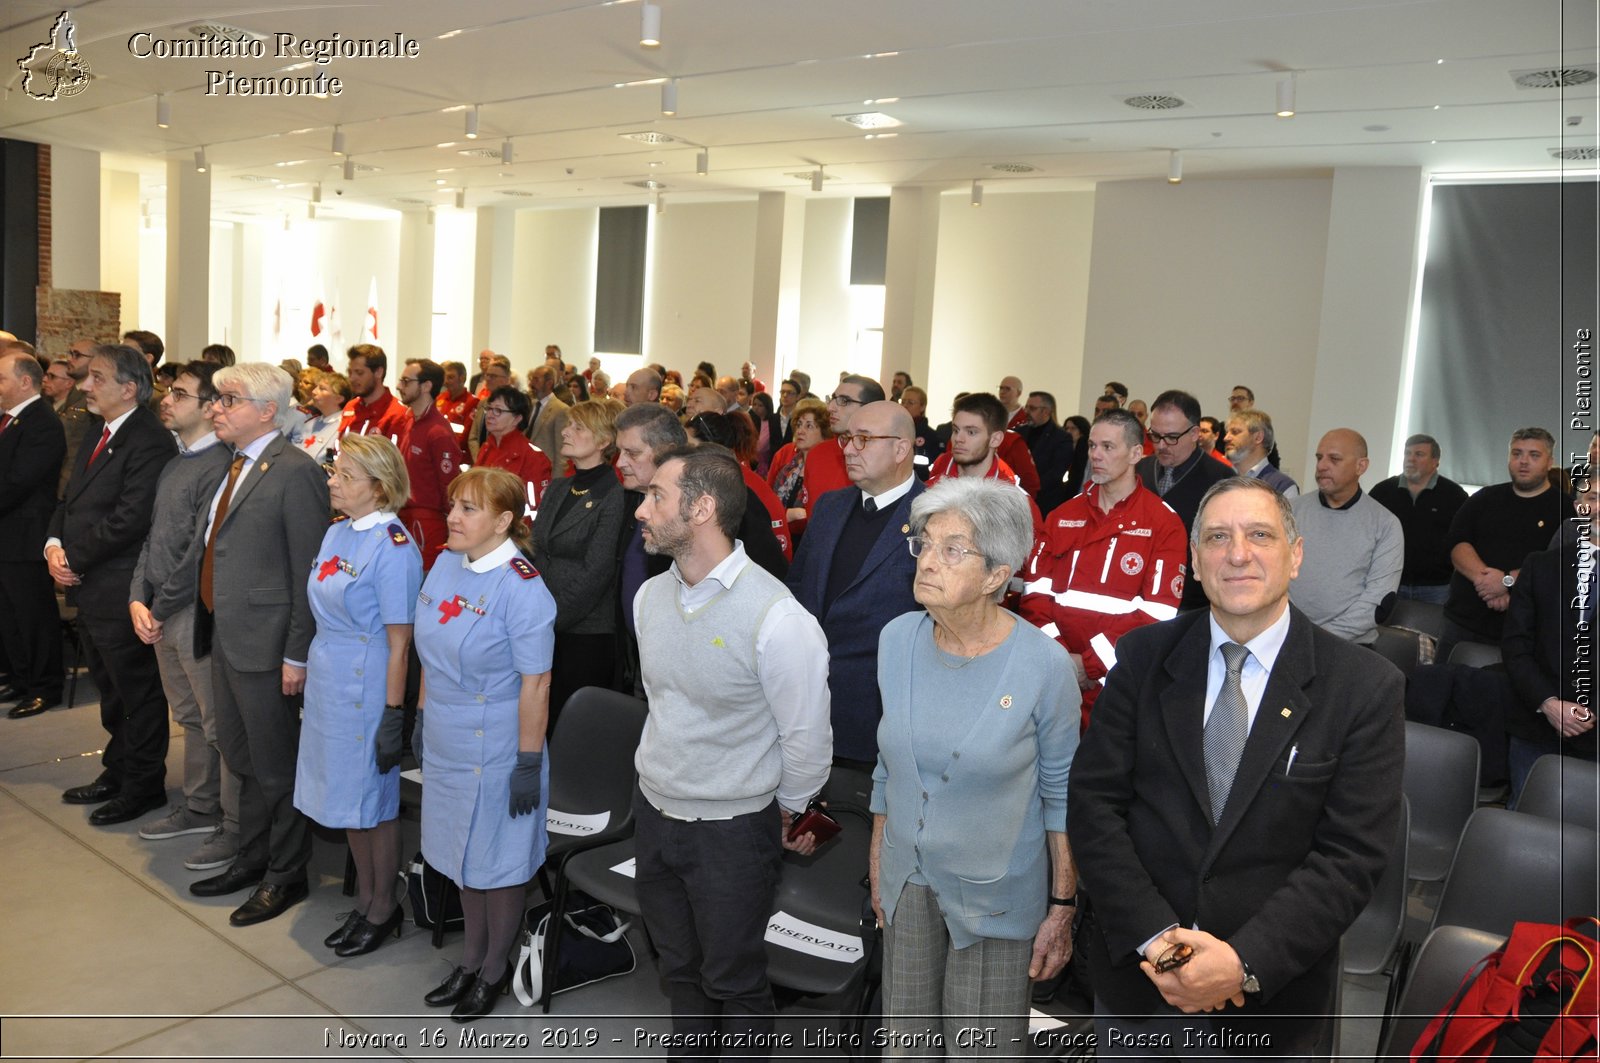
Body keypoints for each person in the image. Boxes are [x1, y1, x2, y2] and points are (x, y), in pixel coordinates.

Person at [1070, 477, 1405, 1058]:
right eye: (1218, 537)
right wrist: (1160, 941)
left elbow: (1350, 856)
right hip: (1141, 985)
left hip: (1271, 999)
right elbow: (1095, 805)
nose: (1238, 553)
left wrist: (1242, 962)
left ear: (1294, 555)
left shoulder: (1364, 687)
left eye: (1260, 535)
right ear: (1196, 561)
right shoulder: (1144, 659)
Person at [632, 443, 832, 1055]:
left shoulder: (777, 616)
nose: (640, 509)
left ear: (702, 508)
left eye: (655, 496)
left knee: (736, 983)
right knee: (680, 973)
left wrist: (786, 812)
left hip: (732, 830)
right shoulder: (649, 598)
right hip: (654, 812)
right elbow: (664, 705)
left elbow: (806, 737)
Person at [870, 477, 1079, 1052]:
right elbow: (887, 767)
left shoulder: (1044, 665)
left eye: (952, 549)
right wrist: (879, 864)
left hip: (996, 895)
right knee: (905, 1044)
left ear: (995, 575)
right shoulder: (896, 641)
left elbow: (1061, 795)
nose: (928, 561)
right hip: (906, 881)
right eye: (924, 543)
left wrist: (1062, 905)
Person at [187, 363, 330, 927]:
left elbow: (307, 573)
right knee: (241, 758)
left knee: (276, 766)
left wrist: (297, 654)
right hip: (225, 635)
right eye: (217, 399)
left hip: (269, 647)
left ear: (268, 410)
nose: (216, 408)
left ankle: (286, 874)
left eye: (229, 399)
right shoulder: (233, 465)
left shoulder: (294, 472)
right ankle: (252, 856)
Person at [415, 467, 556, 1022]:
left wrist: (527, 761)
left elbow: (536, 683)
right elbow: (430, 646)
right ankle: (470, 958)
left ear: (503, 521)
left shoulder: (523, 589)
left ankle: (494, 967)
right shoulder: (447, 563)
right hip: (447, 737)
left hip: (499, 743)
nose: (452, 517)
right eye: (453, 505)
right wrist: (422, 718)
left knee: (498, 865)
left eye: (469, 509)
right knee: (459, 856)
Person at [296, 434, 423, 956]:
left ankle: (383, 904)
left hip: (369, 683)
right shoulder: (338, 533)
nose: (333, 482)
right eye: (335, 472)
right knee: (344, 798)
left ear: (379, 486)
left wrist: (393, 715)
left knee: (374, 802)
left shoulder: (394, 548)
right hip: (330, 676)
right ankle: (366, 898)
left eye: (345, 476)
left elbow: (401, 643)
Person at [47, 345, 176, 820]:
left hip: (120, 584)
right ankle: (117, 768)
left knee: (136, 692)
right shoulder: (98, 429)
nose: (84, 385)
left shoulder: (149, 440)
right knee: (110, 688)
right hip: (89, 580)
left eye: (96, 378)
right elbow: (70, 497)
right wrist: (53, 545)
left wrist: (72, 557)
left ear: (129, 388)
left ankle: (144, 785)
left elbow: (130, 519)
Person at [128, 361, 241, 871]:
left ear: (210, 405)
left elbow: (198, 551)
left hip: (191, 613)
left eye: (178, 393)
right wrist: (136, 596)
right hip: (160, 611)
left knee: (217, 723)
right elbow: (153, 541)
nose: (165, 401)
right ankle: (199, 805)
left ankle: (232, 822)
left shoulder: (220, 466)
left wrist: (156, 605)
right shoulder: (175, 464)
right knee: (190, 717)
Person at [1022, 408, 1186, 728]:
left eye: (1108, 447)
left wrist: (1088, 664)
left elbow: (1157, 615)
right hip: (1055, 678)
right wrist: (1060, 659)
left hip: (1117, 684)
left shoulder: (1163, 524)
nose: (1096, 455)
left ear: (1136, 453)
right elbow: (1035, 595)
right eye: (1092, 446)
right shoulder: (1061, 516)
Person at [787, 401, 923, 766]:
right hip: (806, 710)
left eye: (863, 439)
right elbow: (799, 590)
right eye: (847, 438)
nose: (847, 449)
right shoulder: (830, 507)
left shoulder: (933, 517)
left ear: (900, 448)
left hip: (879, 719)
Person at [530, 399, 625, 731]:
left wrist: (549, 616)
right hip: (543, 620)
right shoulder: (559, 487)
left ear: (603, 441)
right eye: (569, 425)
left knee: (568, 725)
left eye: (578, 427)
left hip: (585, 631)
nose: (566, 431)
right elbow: (536, 549)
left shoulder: (615, 495)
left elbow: (597, 572)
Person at [1501, 477, 1599, 801]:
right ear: (1578, 508)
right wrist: (1549, 704)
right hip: (1536, 726)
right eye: (1593, 498)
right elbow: (1516, 645)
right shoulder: (1541, 566)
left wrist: (1587, 713)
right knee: (1522, 824)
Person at [1441, 427, 1573, 659]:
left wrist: (1507, 582)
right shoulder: (1484, 497)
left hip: (1524, 630)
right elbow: (1457, 543)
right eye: (1517, 453)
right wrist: (1488, 583)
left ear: (1550, 461)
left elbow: (1559, 565)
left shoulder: (1566, 510)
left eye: (1534, 455)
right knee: (1440, 688)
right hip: (1462, 620)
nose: (1523, 461)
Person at [1288, 429, 1404, 645]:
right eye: (1319, 458)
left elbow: (1377, 601)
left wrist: (1317, 639)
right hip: (1288, 638)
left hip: (1351, 648)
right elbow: (1273, 576)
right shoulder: (1291, 511)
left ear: (1361, 466)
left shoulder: (1385, 524)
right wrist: (1290, 630)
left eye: (1334, 459)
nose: (1322, 466)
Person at [0, 350, 67, 718]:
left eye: (1, 379)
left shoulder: (40, 420)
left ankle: (44, 686)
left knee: (33, 615)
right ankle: (21, 677)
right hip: (8, 532)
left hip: (26, 535)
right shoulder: (11, 419)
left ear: (25, 382)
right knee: (9, 615)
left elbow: (20, 480)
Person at [1136, 390, 1234, 613]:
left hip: (1192, 603)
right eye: (1155, 435)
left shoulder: (1221, 479)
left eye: (1171, 437)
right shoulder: (1140, 470)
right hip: (1139, 597)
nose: (1161, 445)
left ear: (1195, 433)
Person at [1367, 434, 1467, 606]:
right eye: (1407, 453)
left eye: (1419, 454)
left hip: (1437, 587)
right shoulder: (1382, 492)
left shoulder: (1454, 495)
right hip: (1390, 582)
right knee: (1386, 632)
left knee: (1433, 633)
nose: (1411, 459)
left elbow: (1462, 540)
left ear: (1436, 461)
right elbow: (1366, 534)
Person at [684, 411, 792, 562]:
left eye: (689, 447)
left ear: (710, 447)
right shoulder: (720, 479)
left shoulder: (738, 485)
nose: (682, 455)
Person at [395, 359, 467, 569]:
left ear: (426, 386)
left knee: (422, 582)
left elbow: (450, 488)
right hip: (404, 517)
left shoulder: (438, 432)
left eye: (406, 381)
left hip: (427, 526)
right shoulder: (410, 422)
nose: (400, 386)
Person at [474, 386, 554, 513]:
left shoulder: (533, 457)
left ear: (517, 418)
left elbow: (535, 510)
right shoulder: (487, 447)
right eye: (489, 409)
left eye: (498, 410)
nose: (490, 415)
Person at [767, 396, 832, 536]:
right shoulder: (788, 466)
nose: (800, 431)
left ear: (825, 432)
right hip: (780, 536)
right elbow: (769, 503)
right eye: (799, 424)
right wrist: (789, 514)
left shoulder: (829, 471)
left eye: (809, 426)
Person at [338, 344, 412, 441]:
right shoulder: (350, 407)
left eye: (359, 373)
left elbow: (394, 455)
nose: (352, 378)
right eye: (350, 372)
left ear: (378, 372)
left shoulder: (398, 414)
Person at [43, 357, 92, 497]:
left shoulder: (77, 408)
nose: (45, 380)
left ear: (69, 383)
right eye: (46, 375)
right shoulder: (48, 407)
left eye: (52, 377)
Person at [1021, 390, 1075, 514]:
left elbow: (1056, 472)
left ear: (1046, 411)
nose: (1027, 412)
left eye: (1032, 408)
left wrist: (1031, 488)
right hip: (1018, 498)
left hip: (1045, 501)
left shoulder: (1061, 438)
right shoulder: (1020, 432)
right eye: (1026, 407)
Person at [1224, 409, 1298, 497]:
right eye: (1227, 433)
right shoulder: (1221, 477)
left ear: (1258, 437)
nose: (1226, 438)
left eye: (1235, 432)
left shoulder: (1282, 487)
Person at [293, 371, 346, 468]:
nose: (314, 392)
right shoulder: (308, 423)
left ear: (338, 399)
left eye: (322, 389)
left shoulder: (344, 428)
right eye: (317, 387)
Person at [466, 356, 514, 459]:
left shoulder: (513, 405)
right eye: (487, 375)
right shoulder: (482, 403)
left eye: (493, 376)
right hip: (481, 460)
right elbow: (473, 437)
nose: (487, 379)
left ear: (506, 380)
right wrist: (479, 458)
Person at [525, 364, 571, 461]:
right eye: (531, 379)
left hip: (546, 469)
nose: (531, 384)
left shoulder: (561, 409)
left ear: (549, 383)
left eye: (536, 380)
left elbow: (561, 451)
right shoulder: (531, 405)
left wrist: (558, 476)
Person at [898, 384, 942, 479]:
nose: (905, 405)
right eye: (903, 401)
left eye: (910, 402)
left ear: (922, 407)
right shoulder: (892, 430)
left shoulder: (932, 437)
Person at [435, 360, 479, 438]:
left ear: (462, 379)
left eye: (450, 377)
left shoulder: (472, 402)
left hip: (456, 448)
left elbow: (466, 435)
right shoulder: (440, 398)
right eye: (445, 377)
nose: (445, 381)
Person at [749, 390, 783, 477]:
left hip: (766, 463)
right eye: (754, 405)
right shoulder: (750, 419)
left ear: (767, 407)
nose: (756, 408)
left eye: (760, 405)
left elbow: (763, 446)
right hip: (752, 460)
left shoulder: (773, 421)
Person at [1064, 414, 1091, 500]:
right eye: (1066, 428)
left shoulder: (1085, 451)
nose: (1068, 431)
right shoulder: (1064, 449)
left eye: (1073, 428)